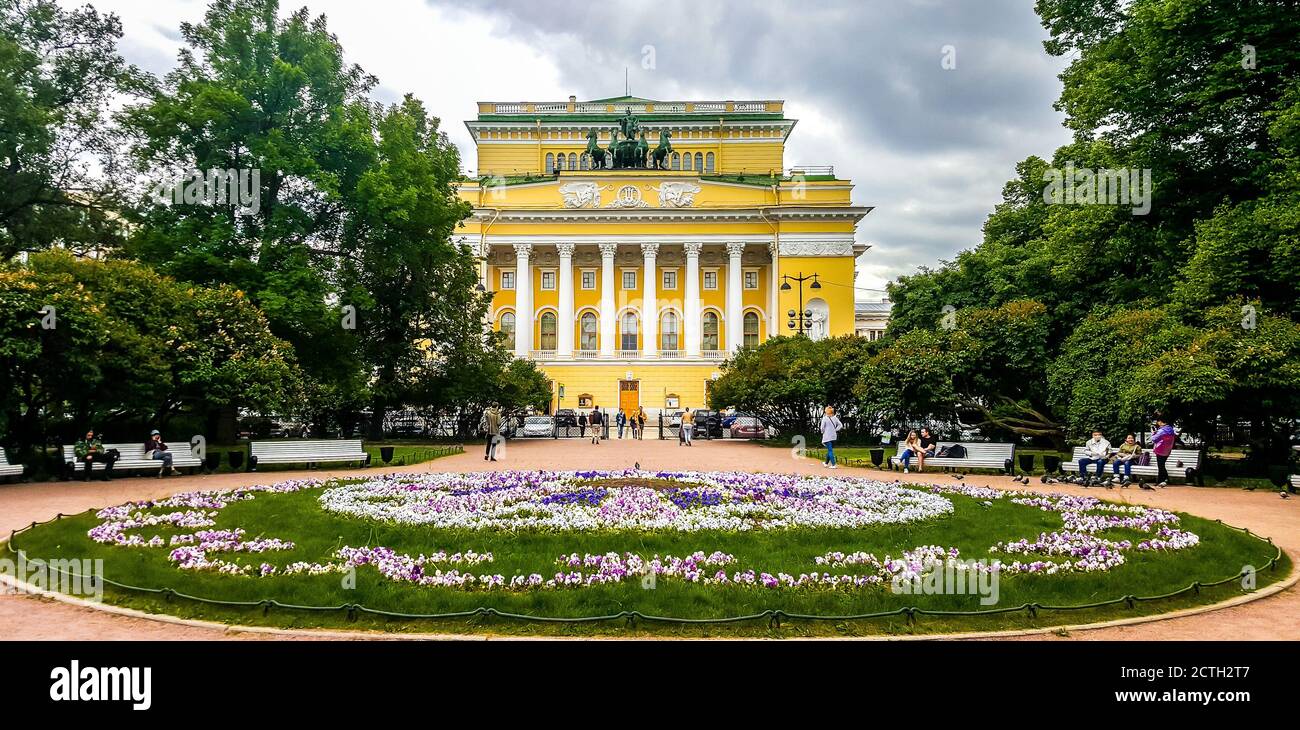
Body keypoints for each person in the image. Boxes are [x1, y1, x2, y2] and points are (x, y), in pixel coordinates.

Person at [1151, 415, 1176, 486]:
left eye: (1158, 422)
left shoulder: (1161, 430)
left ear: (1160, 421)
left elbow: (1154, 439)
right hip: (1167, 450)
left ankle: (1161, 481)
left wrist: (1153, 433)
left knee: (1161, 466)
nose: (1158, 423)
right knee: (1162, 465)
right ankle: (1164, 480)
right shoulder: (1170, 429)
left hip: (1160, 450)